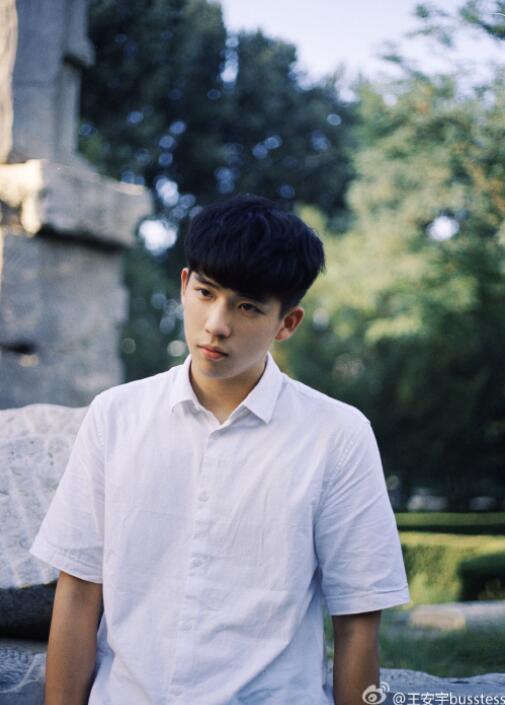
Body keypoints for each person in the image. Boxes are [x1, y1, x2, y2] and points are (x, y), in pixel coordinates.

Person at [30, 194, 410, 705]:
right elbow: (77, 594)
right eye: (206, 293)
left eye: (247, 306)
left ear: (287, 323)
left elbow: (358, 621)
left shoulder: (338, 436)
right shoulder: (115, 416)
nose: (216, 323)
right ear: (184, 284)